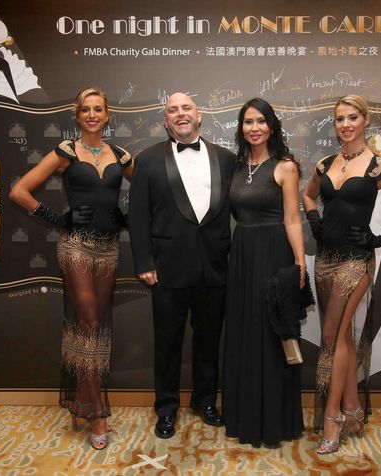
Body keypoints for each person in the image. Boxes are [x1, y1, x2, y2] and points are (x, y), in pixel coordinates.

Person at [9, 87, 132, 450]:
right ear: (77, 117)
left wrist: (127, 217)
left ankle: (84, 398)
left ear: (107, 115)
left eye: (98, 109)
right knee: (89, 320)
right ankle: (97, 413)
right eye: (86, 110)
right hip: (75, 246)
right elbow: (19, 191)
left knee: (95, 326)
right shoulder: (66, 152)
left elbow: (150, 192)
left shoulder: (121, 156)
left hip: (108, 249)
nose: (92, 115)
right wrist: (58, 219)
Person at [302, 94, 381, 454]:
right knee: (342, 338)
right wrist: (314, 219)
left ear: (366, 120)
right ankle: (353, 407)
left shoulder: (379, 166)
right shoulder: (325, 164)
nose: (345, 124)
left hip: (357, 261)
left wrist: (379, 238)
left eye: (352, 117)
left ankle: (333, 418)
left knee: (332, 337)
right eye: (339, 118)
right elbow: (308, 197)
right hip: (325, 260)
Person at [128, 93, 236, 439]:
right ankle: (166, 409)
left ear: (199, 115)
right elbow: (137, 215)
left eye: (186, 107)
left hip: (215, 267)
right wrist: (144, 262)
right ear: (166, 121)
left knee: (209, 341)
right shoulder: (147, 160)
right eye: (172, 110)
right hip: (166, 268)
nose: (180, 114)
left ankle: (205, 401)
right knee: (167, 343)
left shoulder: (227, 159)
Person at [222, 98, 306, 447]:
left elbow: (292, 219)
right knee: (244, 331)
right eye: (248, 122)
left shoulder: (285, 167)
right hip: (242, 254)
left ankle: (274, 421)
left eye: (260, 121)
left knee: (271, 334)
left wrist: (300, 262)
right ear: (241, 128)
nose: (254, 128)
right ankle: (244, 415)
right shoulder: (236, 166)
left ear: (272, 126)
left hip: (273, 254)